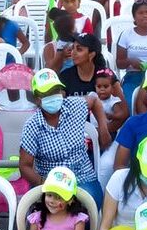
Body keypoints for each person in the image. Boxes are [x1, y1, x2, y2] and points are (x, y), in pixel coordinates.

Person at [20, 69, 111, 206]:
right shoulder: (32, 125)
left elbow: (94, 101)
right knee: (45, 215)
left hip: (82, 175)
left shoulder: (74, 106)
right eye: (47, 93)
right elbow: (24, 166)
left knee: (89, 206)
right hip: (50, 179)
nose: (54, 96)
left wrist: (104, 130)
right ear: (37, 99)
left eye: (56, 91)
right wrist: (46, 184)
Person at [25, 166, 88, 230]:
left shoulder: (78, 220)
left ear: (70, 200)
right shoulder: (38, 217)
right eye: (49, 195)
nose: (52, 201)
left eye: (58, 197)